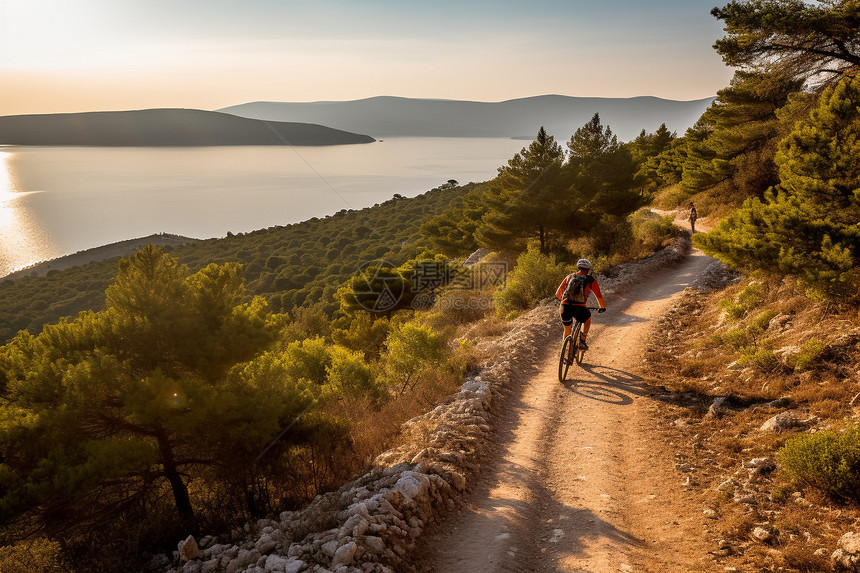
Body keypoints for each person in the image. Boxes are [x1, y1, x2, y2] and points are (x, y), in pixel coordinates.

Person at [555, 259, 606, 350]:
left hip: (565, 306)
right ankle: (582, 341)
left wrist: (563, 302)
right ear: (588, 269)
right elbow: (598, 295)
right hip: (580, 308)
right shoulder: (590, 280)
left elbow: (558, 293)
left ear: (579, 267)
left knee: (567, 329)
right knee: (587, 319)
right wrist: (602, 307)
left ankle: (566, 349)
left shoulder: (569, 277)